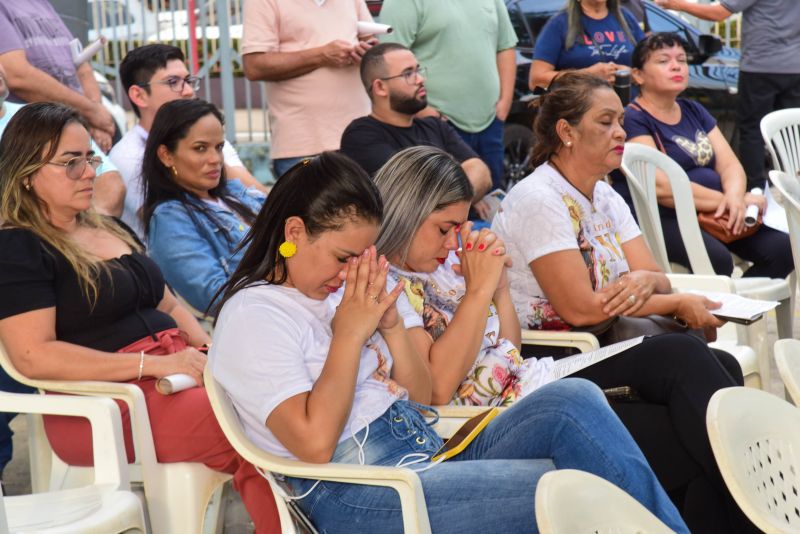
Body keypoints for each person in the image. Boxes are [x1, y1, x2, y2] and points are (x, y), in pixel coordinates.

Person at [208, 151, 688, 533]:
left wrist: (392, 326)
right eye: (342, 255)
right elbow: (313, 445)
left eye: (360, 256)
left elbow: (419, 396)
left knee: (572, 401)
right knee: (566, 488)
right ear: (294, 232)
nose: (349, 270)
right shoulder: (255, 314)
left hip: (418, 448)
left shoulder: (337, 294)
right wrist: (351, 334)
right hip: (360, 492)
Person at [374, 145, 753, 532]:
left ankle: (748, 515)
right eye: (444, 228)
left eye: (460, 227)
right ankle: (755, 513)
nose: (453, 241)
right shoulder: (388, 284)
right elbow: (436, 390)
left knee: (717, 367)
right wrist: (477, 292)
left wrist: (498, 288)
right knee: (686, 408)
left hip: (528, 381)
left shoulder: (445, 265)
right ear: (407, 212)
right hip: (492, 415)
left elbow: (509, 349)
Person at [0, 102, 279, 532]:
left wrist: (207, 352)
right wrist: (155, 365)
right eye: (70, 163)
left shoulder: (109, 228)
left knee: (284, 403)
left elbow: (168, 304)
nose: (90, 171)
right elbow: (34, 356)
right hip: (105, 404)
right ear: (25, 173)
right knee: (268, 424)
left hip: (175, 377)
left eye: (90, 157)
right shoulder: (19, 248)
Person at [623, 33, 793, 279]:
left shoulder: (693, 109)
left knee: (783, 249)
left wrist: (735, 197)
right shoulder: (634, 118)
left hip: (716, 212)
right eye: (663, 61)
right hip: (663, 216)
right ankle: (713, 313)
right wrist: (729, 201)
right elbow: (660, 186)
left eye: (681, 60)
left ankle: (736, 314)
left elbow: (730, 164)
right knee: (717, 262)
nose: (676, 66)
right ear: (637, 75)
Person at [111, 44, 265, 239]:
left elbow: (258, 198)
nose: (188, 91)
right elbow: (172, 227)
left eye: (188, 80)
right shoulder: (128, 156)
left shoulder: (207, 135)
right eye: (173, 82)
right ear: (139, 95)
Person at [654, 0, 800, 191]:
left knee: (752, 131)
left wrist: (676, 4)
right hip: (795, 67)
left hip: (760, 67)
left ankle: (755, 190)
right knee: (790, 132)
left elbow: (718, 13)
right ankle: (792, 187)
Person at [142, 99, 265, 313]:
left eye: (219, 147)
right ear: (166, 155)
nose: (215, 159)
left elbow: (293, 233)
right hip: (260, 325)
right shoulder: (170, 219)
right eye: (200, 148)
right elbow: (218, 297)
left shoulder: (235, 192)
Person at [380, 0, 518, 190]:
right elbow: (387, 63)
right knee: (445, 208)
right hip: (437, 126)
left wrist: (505, 102)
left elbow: (505, 46)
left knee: (492, 204)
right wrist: (426, 113)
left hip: (490, 122)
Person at [340, 42, 492, 213]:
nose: (421, 79)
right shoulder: (361, 135)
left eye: (418, 70)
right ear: (380, 87)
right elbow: (412, 194)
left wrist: (457, 199)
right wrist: (465, 196)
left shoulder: (434, 126)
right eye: (408, 74)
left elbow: (480, 171)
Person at [241, 0, 377, 177]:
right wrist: (321, 55)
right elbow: (254, 66)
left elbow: (370, 40)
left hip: (360, 136)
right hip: (302, 145)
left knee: (370, 204)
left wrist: (366, 52)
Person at [0, 62, 125, 218]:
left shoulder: (40, 117)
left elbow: (109, 182)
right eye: (71, 162)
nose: (90, 173)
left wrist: (85, 232)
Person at [0, 0, 116, 153]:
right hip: (40, 138)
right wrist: (91, 112)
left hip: (77, 126)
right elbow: (17, 76)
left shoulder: (42, 4)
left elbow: (82, 67)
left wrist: (96, 116)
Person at [529, 0, 645, 90]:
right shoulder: (559, 24)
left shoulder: (626, 18)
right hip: (580, 112)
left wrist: (629, 73)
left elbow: (650, 67)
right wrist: (587, 75)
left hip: (628, 111)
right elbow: (536, 81)